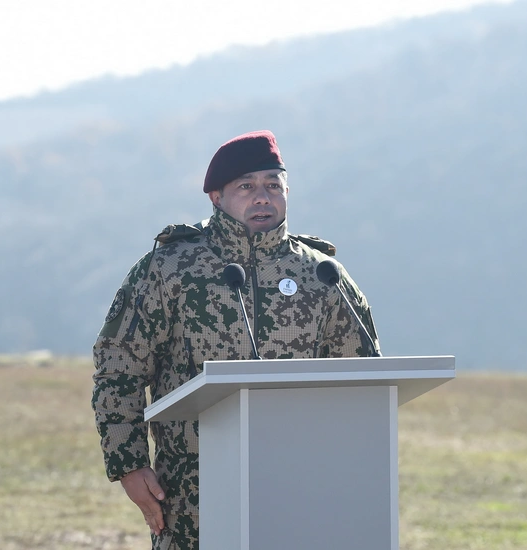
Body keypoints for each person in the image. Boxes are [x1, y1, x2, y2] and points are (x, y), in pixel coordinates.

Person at [92, 130, 380, 550]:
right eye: (246, 186)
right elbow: (120, 364)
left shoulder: (322, 275)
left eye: (273, 185)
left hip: (303, 487)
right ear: (216, 197)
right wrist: (129, 463)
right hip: (193, 492)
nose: (262, 197)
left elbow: (362, 384)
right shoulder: (171, 268)